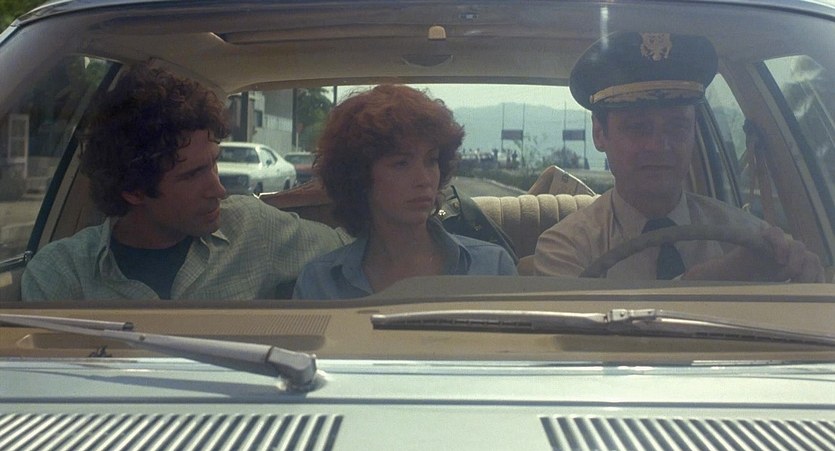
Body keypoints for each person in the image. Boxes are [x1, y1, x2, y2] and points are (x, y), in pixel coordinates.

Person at [22, 63, 348, 301]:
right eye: (192, 175)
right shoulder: (62, 275)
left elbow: (354, 251)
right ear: (134, 191)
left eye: (213, 163)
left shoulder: (252, 227)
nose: (219, 190)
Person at [534, 32, 825, 282]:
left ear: (693, 131)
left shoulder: (748, 237)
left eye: (677, 126)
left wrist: (806, 277)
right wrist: (716, 279)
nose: (659, 145)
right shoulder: (567, 247)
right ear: (600, 134)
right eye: (638, 128)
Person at [293, 85, 517, 299]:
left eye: (431, 160)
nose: (424, 180)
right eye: (401, 163)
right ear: (359, 175)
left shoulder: (492, 266)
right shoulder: (320, 282)